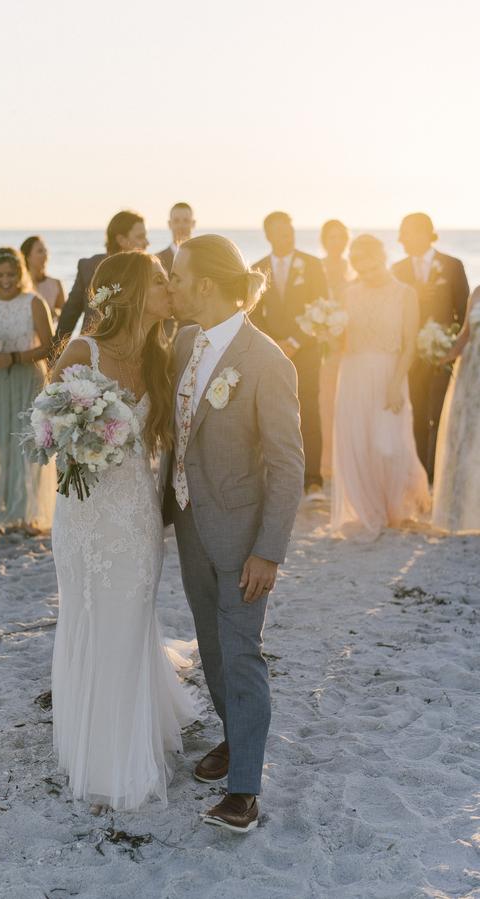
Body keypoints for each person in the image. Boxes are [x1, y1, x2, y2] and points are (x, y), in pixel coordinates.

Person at [49, 251, 200, 814]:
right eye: (160, 281)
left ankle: (125, 744)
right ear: (134, 292)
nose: (169, 288)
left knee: (129, 622)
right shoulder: (83, 351)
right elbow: (49, 432)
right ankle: (98, 754)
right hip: (85, 516)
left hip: (136, 515)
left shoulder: (164, 356)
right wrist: (81, 441)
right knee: (89, 617)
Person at [165, 235, 304, 833]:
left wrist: (268, 551)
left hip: (244, 536)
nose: (169, 286)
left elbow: (288, 463)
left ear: (205, 284)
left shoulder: (267, 360)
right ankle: (233, 735)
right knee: (213, 648)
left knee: (242, 654)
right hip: (191, 525)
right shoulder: (184, 345)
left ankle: (244, 791)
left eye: (176, 276)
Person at [332, 235, 430, 541]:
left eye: (372, 268)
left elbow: (410, 344)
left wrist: (396, 383)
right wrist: (326, 330)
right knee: (357, 443)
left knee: (389, 445)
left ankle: (397, 509)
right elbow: (342, 339)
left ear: (382, 259)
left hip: (389, 373)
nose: (367, 275)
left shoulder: (405, 294)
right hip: (353, 375)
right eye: (361, 270)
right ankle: (367, 509)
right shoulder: (348, 292)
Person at [0, 248, 55, 533]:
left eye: (11, 274)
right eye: (0, 275)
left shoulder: (34, 302)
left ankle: (29, 511)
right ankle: (8, 507)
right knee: (3, 442)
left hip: (27, 376)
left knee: (28, 443)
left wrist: (16, 357)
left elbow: (49, 346)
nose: (5, 280)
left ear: (20, 274)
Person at [251, 211, 327, 500]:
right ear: (269, 235)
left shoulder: (312, 265)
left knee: (309, 410)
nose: (288, 235)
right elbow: (253, 312)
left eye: (290, 230)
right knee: (271, 412)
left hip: (306, 352)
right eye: (281, 231)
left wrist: (295, 340)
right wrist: (274, 343)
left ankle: (314, 481)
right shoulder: (257, 268)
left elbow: (322, 307)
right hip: (271, 353)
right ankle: (276, 477)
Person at [392, 213, 469, 481]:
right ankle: (419, 476)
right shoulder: (398, 270)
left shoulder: (453, 265)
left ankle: (439, 476)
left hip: (443, 355)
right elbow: (391, 313)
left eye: (408, 232)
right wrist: (414, 293)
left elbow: (464, 312)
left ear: (425, 233)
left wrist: (452, 347)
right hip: (409, 358)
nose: (403, 238)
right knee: (414, 415)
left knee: (440, 415)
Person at [56, 211, 148, 340]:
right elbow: (69, 315)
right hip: (91, 350)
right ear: (121, 239)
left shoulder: (148, 272)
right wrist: (56, 357)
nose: (147, 243)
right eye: (140, 237)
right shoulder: (88, 267)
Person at [432, 286, 480, 533]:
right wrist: (441, 353)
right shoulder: (477, 293)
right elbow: (465, 334)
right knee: (466, 436)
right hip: (471, 373)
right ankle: (461, 513)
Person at [319, 220, 354, 478]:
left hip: (349, 345)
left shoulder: (353, 270)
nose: (337, 242)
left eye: (341, 237)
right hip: (321, 346)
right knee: (324, 403)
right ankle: (324, 462)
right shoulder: (317, 268)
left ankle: (345, 460)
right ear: (324, 240)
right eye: (332, 237)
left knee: (346, 404)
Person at [20, 235, 66, 321]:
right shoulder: (19, 284)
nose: (46, 255)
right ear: (27, 256)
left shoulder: (56, 283)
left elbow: (66, 316)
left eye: (46, 251)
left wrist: (55, 312)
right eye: (40, 251)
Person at [156, 202, 196, 275]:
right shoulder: (157, 260)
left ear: (193, 223)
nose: (181, 226)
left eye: (186, 221)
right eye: (176, 221)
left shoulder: (202, 256)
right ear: (169, 224)